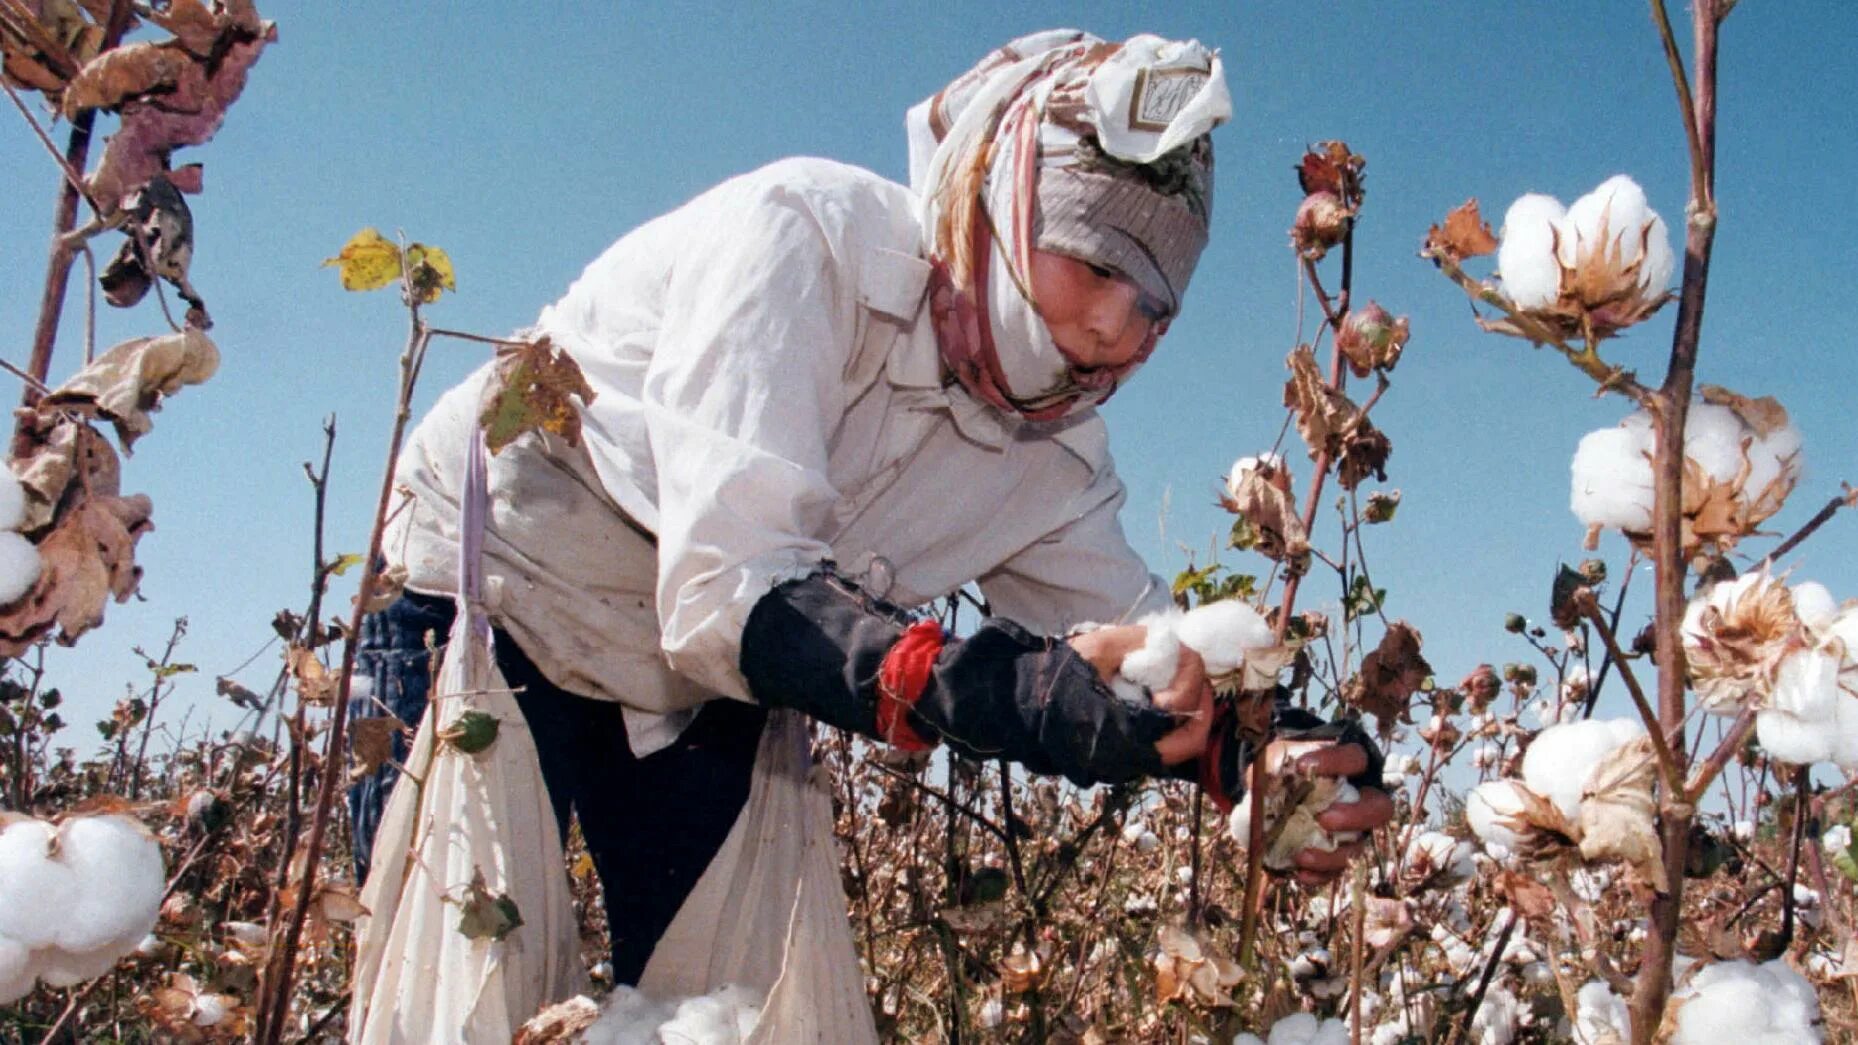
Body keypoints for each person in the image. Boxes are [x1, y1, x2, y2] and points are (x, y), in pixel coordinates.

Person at [350, 28, 1393, 989]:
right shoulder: (802, 239)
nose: (1120, 328)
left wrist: (1268, 750)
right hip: (495, 588)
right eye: (1095, 261)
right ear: (997, 199)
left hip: (704, 678)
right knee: (460, 972)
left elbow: (1151, 649)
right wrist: (1003, 694)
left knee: (708, 1005)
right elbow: (731, 590)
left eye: (1158, 301)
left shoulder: (1059, 458)